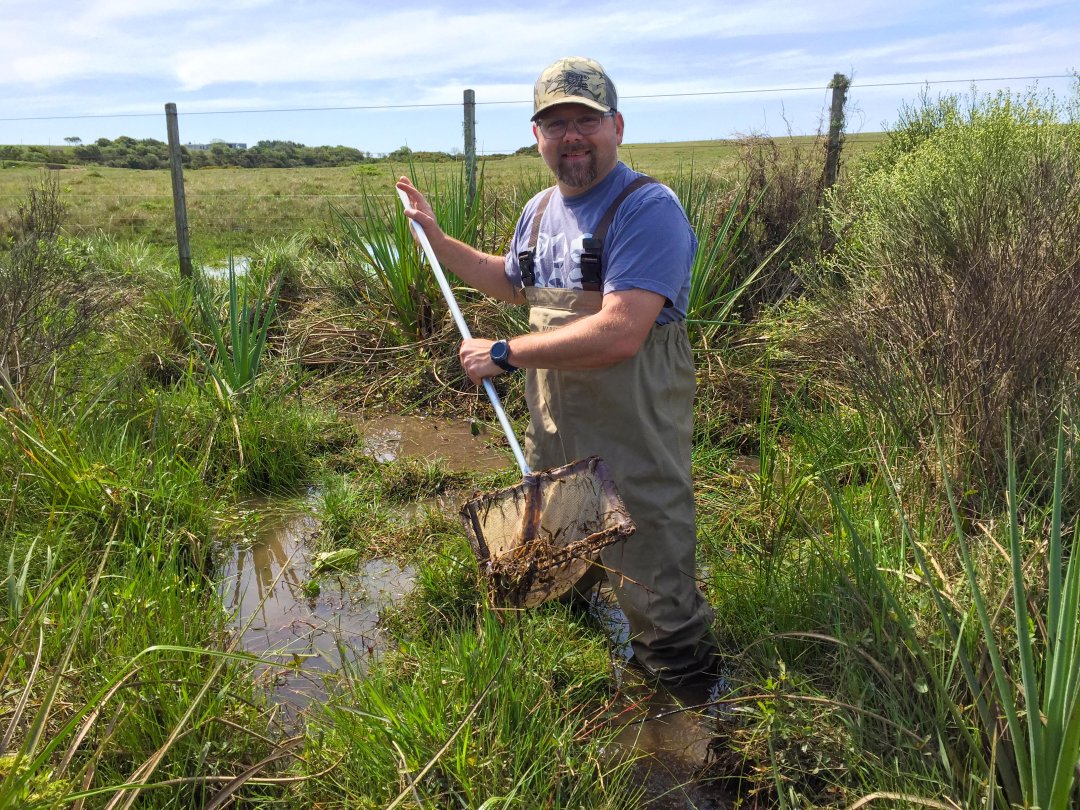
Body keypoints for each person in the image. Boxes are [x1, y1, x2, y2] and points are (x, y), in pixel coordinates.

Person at [397, 56, 717, 686]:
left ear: (617, 127)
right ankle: (589, 646)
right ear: (537, 135)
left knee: (650, 550)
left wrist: (504, 354)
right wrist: (434, 237)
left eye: (586, 121)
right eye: (555, 122)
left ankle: (684, 704)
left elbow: (623, 330)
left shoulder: (645, 208)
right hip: (557, 420)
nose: (571, 135)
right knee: (569, 535)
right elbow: (510, 282)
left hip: (633, 422)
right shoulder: (541, 210)